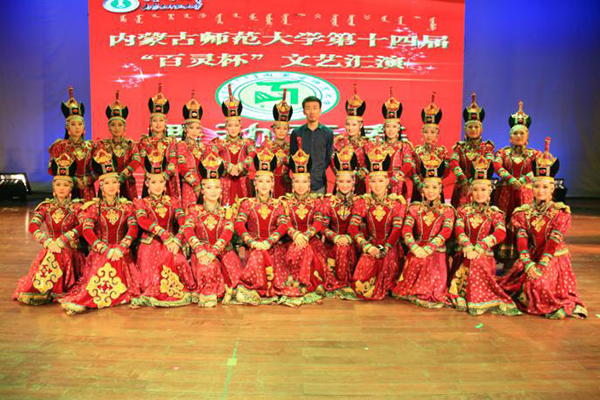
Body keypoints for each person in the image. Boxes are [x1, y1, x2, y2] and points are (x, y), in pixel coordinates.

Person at [498, 138, 587, 319]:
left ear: (552, 189)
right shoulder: (523, 212)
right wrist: (528, 263)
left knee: (539, 285)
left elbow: (553, 242)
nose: (540, 191)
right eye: (536, 186)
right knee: (517, 286)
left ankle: (558, 303)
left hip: (553, 257)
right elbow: (521, 238)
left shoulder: (560, 212)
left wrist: (541, 265)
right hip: (531, 256)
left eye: (545, 187)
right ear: (531, 188)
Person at [59, 146, 139, 315]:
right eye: (107, 183)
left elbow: (133, 229)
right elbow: (87, 230)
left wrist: (121, 247)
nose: (111, 186)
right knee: (104, 264)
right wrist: (104, 249)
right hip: (100, 250)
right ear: (101, 186)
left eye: (114, 182)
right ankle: (86, 299)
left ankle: (90, 301)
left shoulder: (127, 206)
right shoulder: (94, 207)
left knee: (115, 263)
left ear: (119, 185)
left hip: (121, 251)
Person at [448, 155, 521, 316]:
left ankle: (470, 296)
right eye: (475, 190)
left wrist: (480, 247)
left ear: (490, 192)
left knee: (477, 261)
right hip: (464, 253)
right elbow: (458, 229)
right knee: (470, 261)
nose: (479, 194)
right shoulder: (463, 211)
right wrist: (467, 245)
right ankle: (462, 294)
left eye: (483, 190)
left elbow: (500, 232)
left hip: (484, 254)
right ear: (471, 192)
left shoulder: (495, 213)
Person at [13, 155, 85, 305]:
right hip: (51, 246)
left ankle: (48, 289)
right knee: (54, 253)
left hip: (71, 249)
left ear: (71, 188)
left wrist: (63, 239)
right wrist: (47, 241)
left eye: (65, 185)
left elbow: (83, 226)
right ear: (53, 187)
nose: (61, 188)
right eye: (58, 185)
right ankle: (45, 289)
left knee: (60, 253)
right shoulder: (45, 207)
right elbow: (33, 226)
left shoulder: (77, 207)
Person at [279, 138, 342, 305]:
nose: (300, 186)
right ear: (292, 184)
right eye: (297, 181)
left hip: (311, 240)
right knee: (300, 248)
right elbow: (284, 222)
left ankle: (301, 281)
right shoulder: (285, 201)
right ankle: (302, 282)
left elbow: (318, 222)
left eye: (304, 182)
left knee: (306, 248)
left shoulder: (316, 201)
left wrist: (305, 235)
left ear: (309, 184)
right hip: (290, 241)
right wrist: (295, 234)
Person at [131, 153, 195, 308]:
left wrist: (178, 240)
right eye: (154, 182)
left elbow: (182, 220)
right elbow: (142, 221)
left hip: (171, 242)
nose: (158, 186)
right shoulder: (141, 203)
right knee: (155, 267)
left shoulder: (173, 201)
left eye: (161, 181)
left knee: (178, 260)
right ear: (147, 184)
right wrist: (163, 233)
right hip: (150, 242)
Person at [391, 153, 454, 308]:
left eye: (434, 187)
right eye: (427, 187)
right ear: (422, 189)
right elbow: (406, 229)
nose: (430, 191)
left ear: (440, 189)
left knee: (430, 266)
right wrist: (414, 247)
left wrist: (429, 248)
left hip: (436, 250)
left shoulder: (447, 210)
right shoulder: (415, 208)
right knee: (417, 261)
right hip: (417, 248)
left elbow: (445, 232)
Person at [182, 152, 243, 307]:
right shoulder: (194, 210)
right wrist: (200, 251)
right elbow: (188, 230)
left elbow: (227, 234)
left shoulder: (226, 212)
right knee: (207, 268)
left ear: (221, 190)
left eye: (217, 187)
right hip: (201, 252)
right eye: (209, 187)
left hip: (222, 250)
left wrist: (213, 252)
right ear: (202, 190)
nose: (213, 191)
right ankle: (211, 293)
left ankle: (228, 289)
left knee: (236, 278)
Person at [349, 139, 407, 300]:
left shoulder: (396, 203)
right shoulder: (363, 202)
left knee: (385, 269)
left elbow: (397, 230)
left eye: (381, 181)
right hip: (371, 244)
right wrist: (367, 246)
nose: (377, 185)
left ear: (387, 182)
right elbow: (352, 228)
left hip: (390, 246)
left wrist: (385, 248)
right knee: (360, 284)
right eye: (373, 181)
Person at [234, 146, 290, 305]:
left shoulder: (278, 204)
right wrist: (252, 242)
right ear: (255, 184)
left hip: (273, 247)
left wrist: (268, 242)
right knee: (257, 254)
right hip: (253, 246)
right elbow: (239, 224)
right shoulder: (247, 203)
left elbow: (283, 225)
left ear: (272, 184)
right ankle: (253, 287)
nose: (264, 185)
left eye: (268, 181)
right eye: (260, 181)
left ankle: (250, 289)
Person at [493, 101, 540, 261]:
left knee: (524, 221)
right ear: (510, 137)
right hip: (506, 193)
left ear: (527, 136)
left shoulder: (534, 154)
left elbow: (538, 168)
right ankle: (505, 256)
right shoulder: (503, 152)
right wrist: (510, 178)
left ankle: (524, 257)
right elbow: (496, 165)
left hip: (525, 193)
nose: (518, 136)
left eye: (522, 133)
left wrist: (523, 180)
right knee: (505, 220)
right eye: (515, 133)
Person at [321, 143, 360, 289]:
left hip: (354, 243)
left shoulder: (359, 202)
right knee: (339, 249)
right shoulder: (328, 201)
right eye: (341, 181)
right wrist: (335, 237)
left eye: (348, 181)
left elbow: (362, 228)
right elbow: (323, 226)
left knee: (344, 249)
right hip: (333, 243)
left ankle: (344, 280)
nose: (344, 185)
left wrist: (348, 238)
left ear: (353, 183)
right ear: (336, 183)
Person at [212, 84, 256, 205]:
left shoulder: (247, 142)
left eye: (236, 125)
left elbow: (252, 154)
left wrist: (241, 165)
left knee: (243, 209)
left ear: (240, 126)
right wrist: (228, 166)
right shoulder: (219, 143)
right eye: (230, 125)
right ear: (226, 127)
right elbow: (213, 156)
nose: (233, 129)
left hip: (243, 181)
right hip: (225, 181)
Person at [48, 86, 94, 201]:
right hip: (66, 189)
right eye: (73, 124)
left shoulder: (91, 146)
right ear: (68, 129)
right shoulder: (60, 146)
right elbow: (51, 169)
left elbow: (98, 169)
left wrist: (87, 180)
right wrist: (73, 179)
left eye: (80, 124)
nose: (77, 127)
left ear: (84, 128)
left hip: (87, 189)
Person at [449, 93, 495, 208]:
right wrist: (462, 178)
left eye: (476, 127)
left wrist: (475, 180)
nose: (473, 130)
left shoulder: (487, 147)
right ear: (465, 129)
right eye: (470, 127)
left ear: (481, 129)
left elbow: (489, 163)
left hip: (481, 188)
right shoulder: (460, 147)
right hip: (462, 187)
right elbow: (453, 162)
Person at [134, 84, 179, 198]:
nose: (158, 124)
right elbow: (143, 161)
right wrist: (153, 178)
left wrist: (165, 176)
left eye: (161, 120)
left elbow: (173, 160)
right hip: (150, 180)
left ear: (165, 123)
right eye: (155, 121)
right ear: (150, 123)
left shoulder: (171, 141)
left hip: (167, 181)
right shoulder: (144, 141)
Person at [95, 90, 140, 200]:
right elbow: (97, 164)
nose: (116, 128)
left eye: (120, 125)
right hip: (108, 184)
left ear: (124, 127)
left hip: (127, 184)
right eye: (113, 125)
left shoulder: (130, 145)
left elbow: (137, 160)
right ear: (109, 127)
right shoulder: (103, 145)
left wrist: (124, 174)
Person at [177, 91, 216, 209]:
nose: (194, 131)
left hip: (204, 186)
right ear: (185, 129)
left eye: (197, 128)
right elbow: (182, 167)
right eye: (191, 128)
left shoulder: (203, 147)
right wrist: (195, 183)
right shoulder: (181, 145)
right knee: (190, 212)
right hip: (189, 185)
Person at [408, 92, 450, 202]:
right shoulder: (416, 151)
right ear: (422, 133)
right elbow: (412, 171)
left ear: (437, 134)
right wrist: (419, 184)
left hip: (436, 189)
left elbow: (446, 172)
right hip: (419, 190)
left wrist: (436, 184)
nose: (429, 135)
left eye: (432, 132)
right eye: (426, 132)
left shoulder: (442, 152)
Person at [290, 96, 334, 194]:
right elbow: (292, 157)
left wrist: (319, 171)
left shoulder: (327, 133)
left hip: (319, 183)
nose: (312, 112)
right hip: (300, 185)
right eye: (308, 108)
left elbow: (328, 157)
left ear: (320, 111)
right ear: (304, 111)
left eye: (315, 108)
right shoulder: (297, 133)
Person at [332, 87, 368, 194]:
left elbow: (369, 166)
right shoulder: (339, 142)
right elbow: (333, 162)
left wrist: (355, 175)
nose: (350, 128)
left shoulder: (367, 143)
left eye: (354, 125)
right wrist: (342, 176)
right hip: (341, 183)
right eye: (348, 124)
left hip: (359, 185)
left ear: (360, 125)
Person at [380, 89, 414, 199]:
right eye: (388, 126)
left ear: (399, 128)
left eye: (394, 127)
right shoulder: (378, 146)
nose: (391, 130)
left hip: (399, 183)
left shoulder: (404, 146)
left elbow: (408, 164)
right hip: (381, 183)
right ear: (384, 128)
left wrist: (396, 178)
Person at [260, 90, 293, 198]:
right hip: (269, 184)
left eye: (284, 129)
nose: (281, 131)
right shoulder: (267, 145)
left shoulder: (291, 147)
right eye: (278, 128)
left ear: (288, 130)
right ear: (273, 129)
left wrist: (284, 159)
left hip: (286, 183)